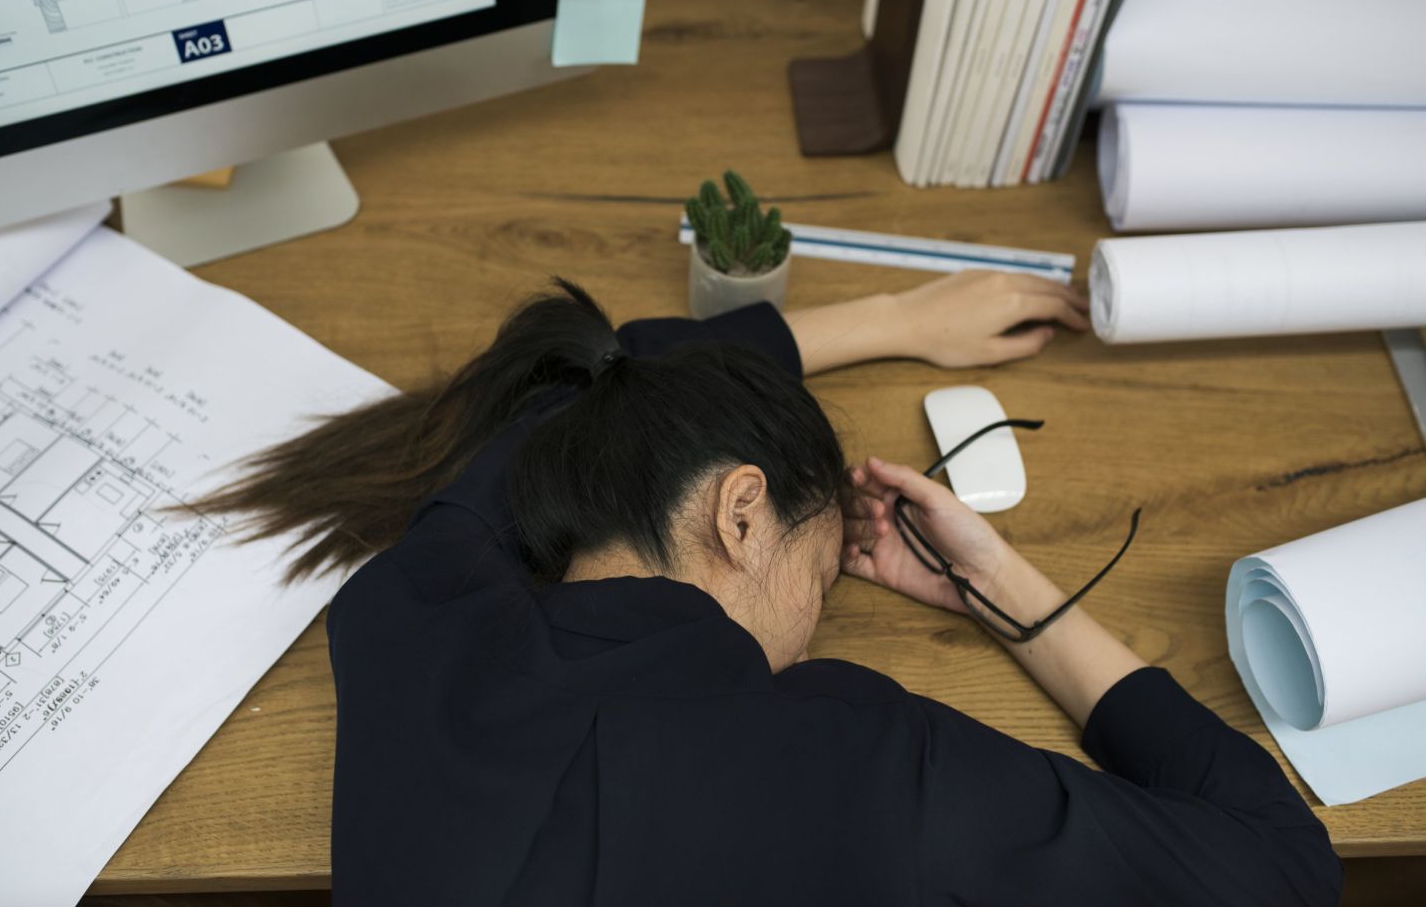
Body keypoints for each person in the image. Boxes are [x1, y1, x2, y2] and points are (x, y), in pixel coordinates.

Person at [200, 271, 1341, 906]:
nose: (818, 615)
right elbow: (1283, 870)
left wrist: (900, 320)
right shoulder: (860, 761)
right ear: (741, 513)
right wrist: (1003, 581)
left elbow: (581, 384)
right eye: (826, 572)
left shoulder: (416, 604)